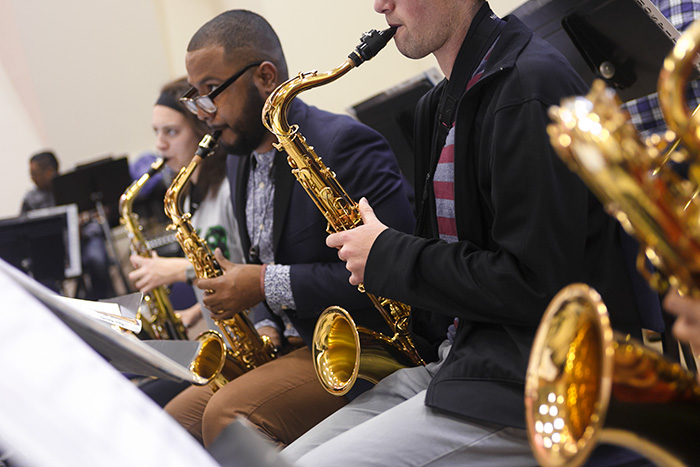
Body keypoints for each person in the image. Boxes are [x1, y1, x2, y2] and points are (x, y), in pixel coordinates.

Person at [280, 1, 652, 465]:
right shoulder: (438, 103)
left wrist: (388, 256)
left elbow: (538, 285)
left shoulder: (529, 84)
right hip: (467, 361)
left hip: (544, 377)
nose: (380, 5)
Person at [163, 9, 415, 448]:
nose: (204, 113)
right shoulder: (240, 159)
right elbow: (261, 260)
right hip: (292, 340)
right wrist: (264, 324)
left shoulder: (345, 143)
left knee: (228, 415)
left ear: (264, 77)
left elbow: (397, 272)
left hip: (361, 344)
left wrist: (261, 283)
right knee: (173, 421)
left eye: (212, 92)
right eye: (194, 97)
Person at [127, 77, 244, 334]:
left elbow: (251, 270)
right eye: (156, 132)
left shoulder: (230, 187)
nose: (159, 144)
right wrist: (195, 312)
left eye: (171, 132)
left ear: (202, 131)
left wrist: (179, 270)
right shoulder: (189, 194)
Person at [20, 150, 115, 300]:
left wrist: (82, 226)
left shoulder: (74, 186)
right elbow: (24, 231)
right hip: (52, 250)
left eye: (35, 174)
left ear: (50, 172)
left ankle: (100, 299)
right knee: (39, 273)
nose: (32, 178)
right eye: (31, 174)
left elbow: (96, 215)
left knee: (97, 258)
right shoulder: (31, 199)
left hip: (85, 241)